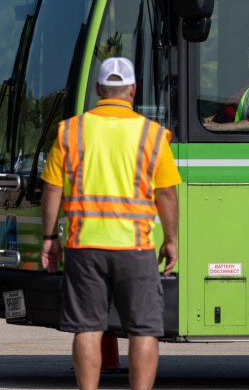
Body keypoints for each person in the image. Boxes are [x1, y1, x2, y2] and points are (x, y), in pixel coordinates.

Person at [40, 56, 181, 390]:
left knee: (87, 327)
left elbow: (52, 189)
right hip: (135, 246)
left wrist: (49, 237)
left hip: (84, 246)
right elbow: (166, 194)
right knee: (143, 329)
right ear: (133, 90)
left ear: (98, 89)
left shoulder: (69, 131)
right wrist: (170, 239)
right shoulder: (152, 134)